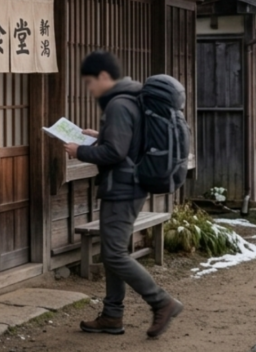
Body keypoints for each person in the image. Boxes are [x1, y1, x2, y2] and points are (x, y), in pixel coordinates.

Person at [64, 51, 183, 338]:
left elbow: (115, 152)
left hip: (122, 187)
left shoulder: (119, 104)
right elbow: (130, 143)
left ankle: (161, 302)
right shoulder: (134, 99)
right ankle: (112, 316)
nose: (90, 89)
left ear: (105, 77)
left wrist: (78, 150)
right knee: (112, 251)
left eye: (91, 82)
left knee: (114, 254)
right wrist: (98, 135)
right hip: (131, 184)